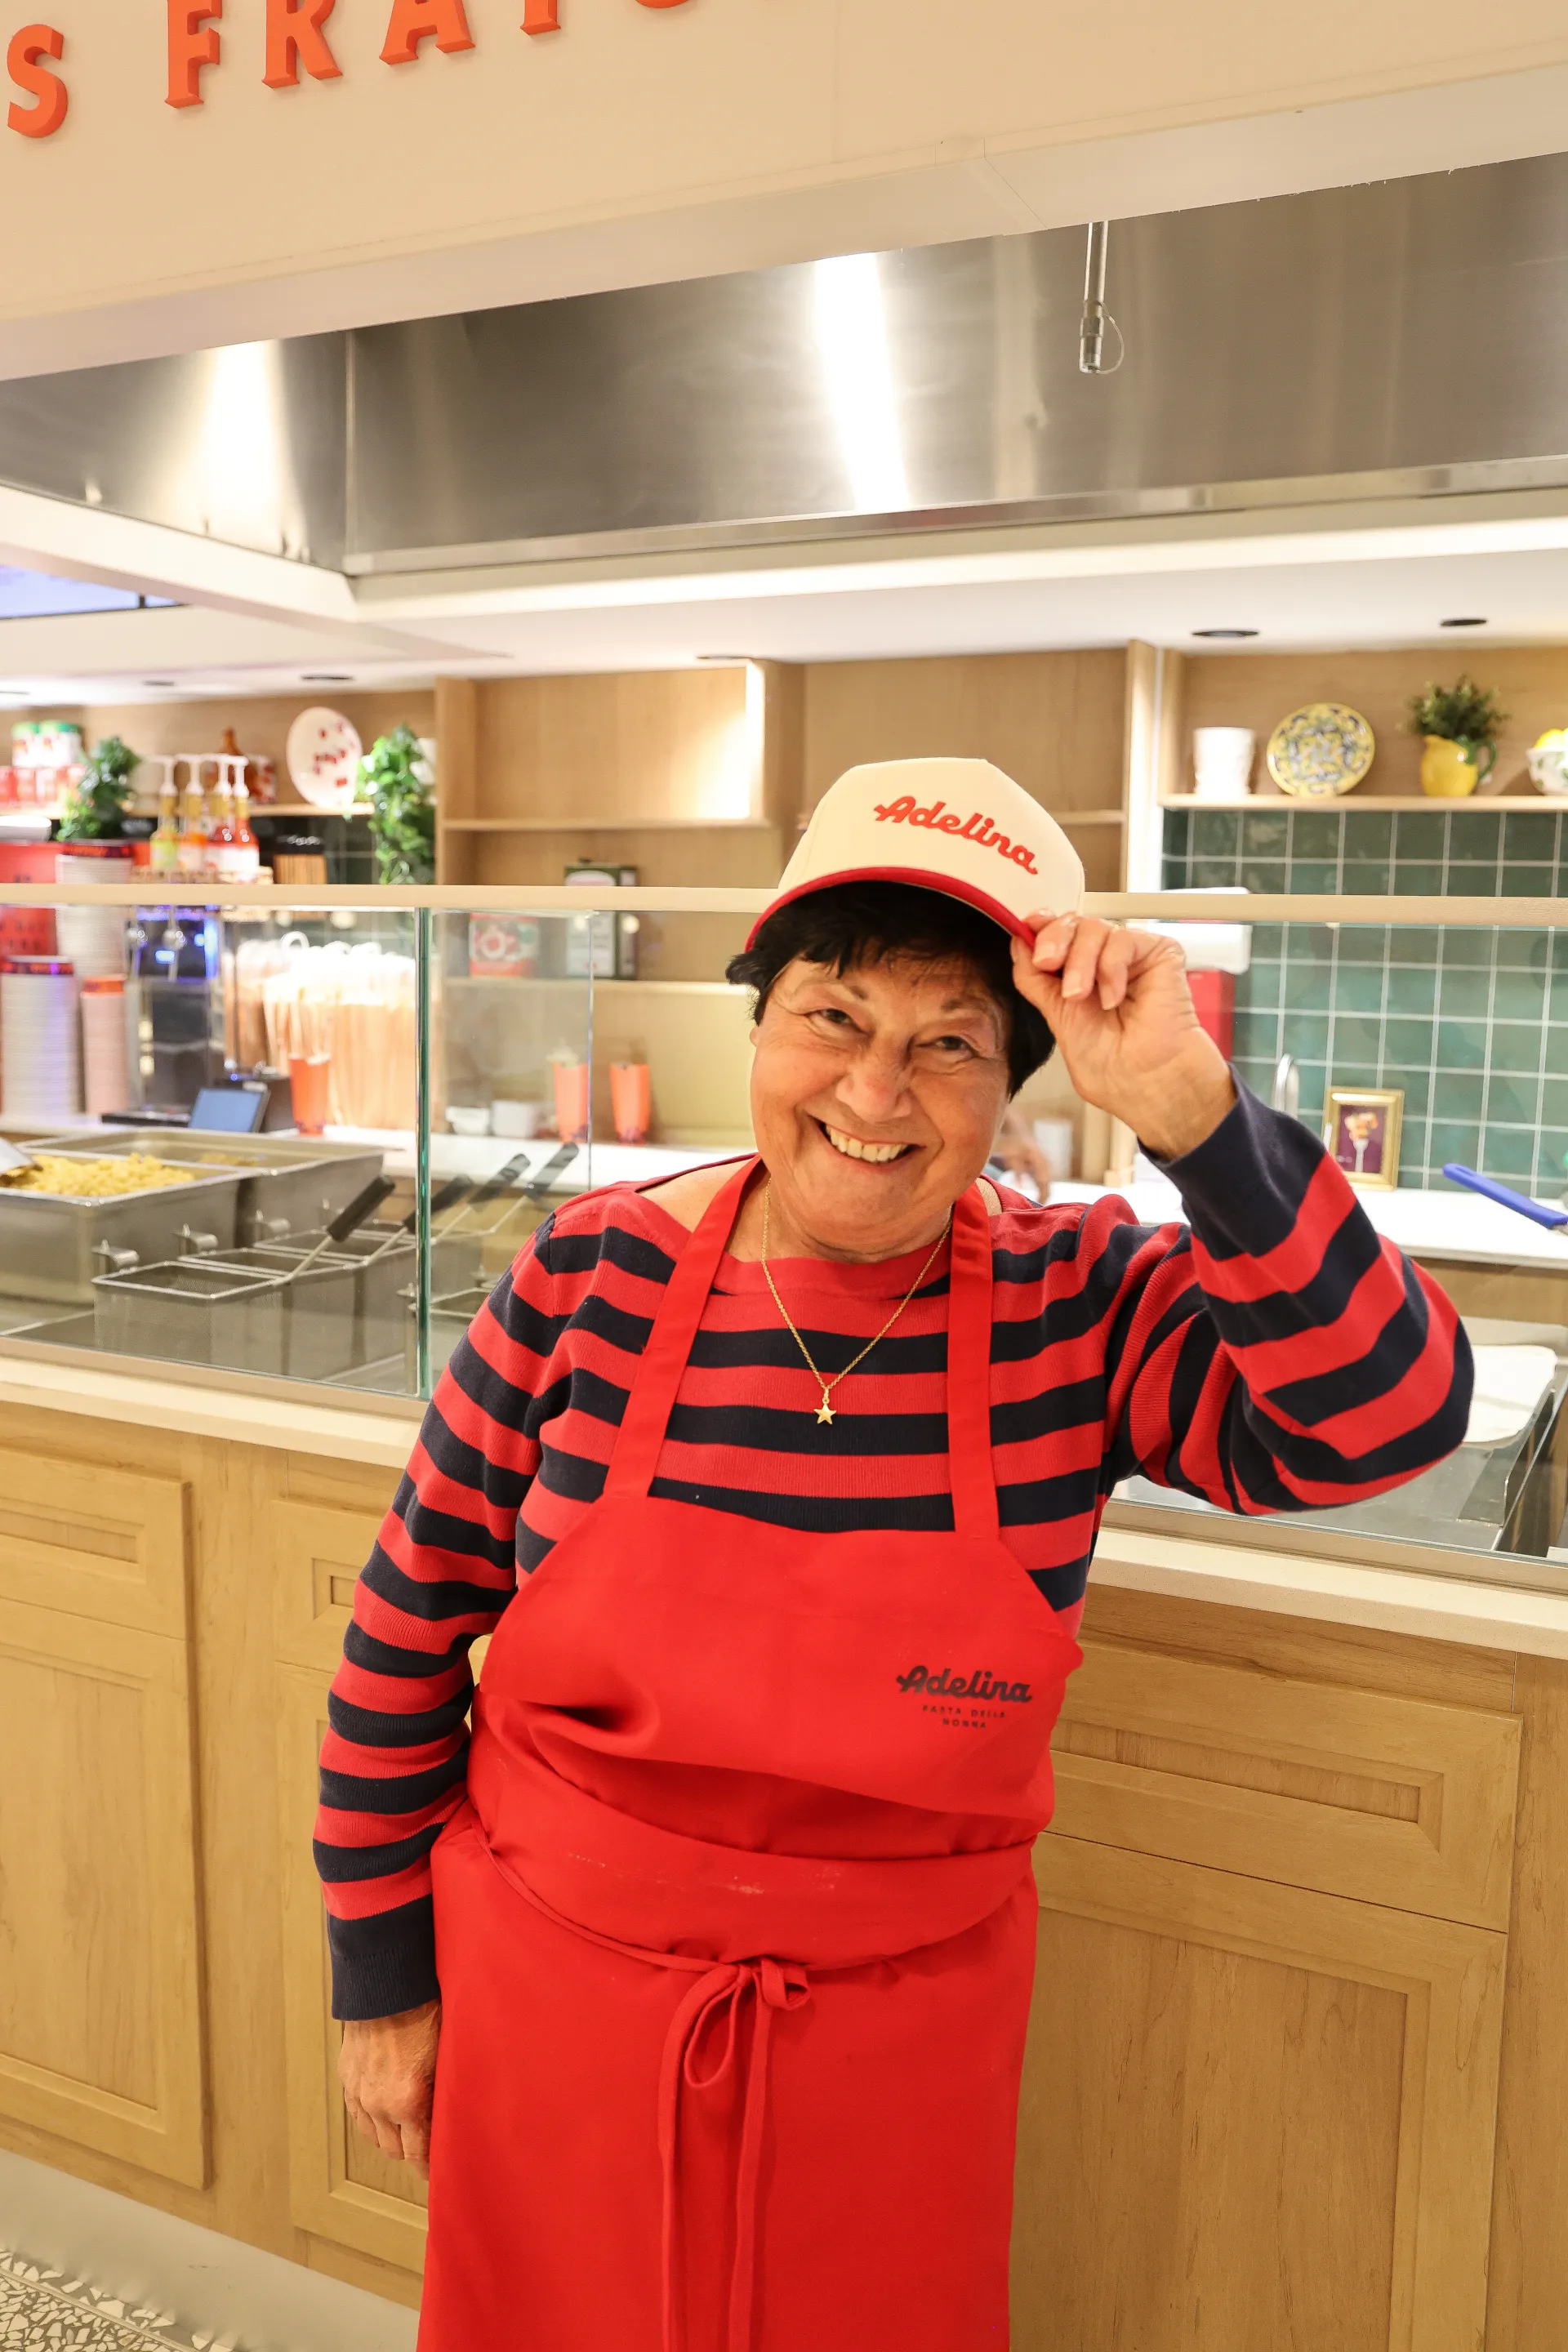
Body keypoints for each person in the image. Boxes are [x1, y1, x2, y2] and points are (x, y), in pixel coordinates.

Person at [317, 759, 1470, 2352]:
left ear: (1015, 1086)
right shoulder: (591, 1272)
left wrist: (1195, 1119)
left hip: (899, 2046)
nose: (874, 1094)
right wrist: (381, 1978)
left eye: (949, 1043)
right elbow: (404, 1627)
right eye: (834, 1017)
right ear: (759, 1024)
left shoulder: (1083, 1303)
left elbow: (1387, 1425)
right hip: (549, 1995)